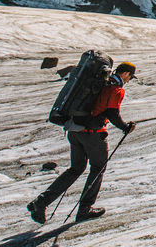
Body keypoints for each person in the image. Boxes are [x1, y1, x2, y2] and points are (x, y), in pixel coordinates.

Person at [29, 62, 137, 223]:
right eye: (130, 77)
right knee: (98, 168)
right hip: (93, 135)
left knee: (76, 168)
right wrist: (125, 127)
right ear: (126, 73)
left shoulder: (100, 82)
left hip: (75, 130)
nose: (129, 80)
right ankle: (85, 209)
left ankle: (41, 202)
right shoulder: (115, 89)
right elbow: (112, 112)